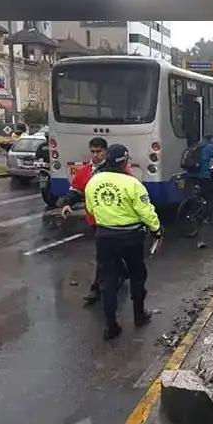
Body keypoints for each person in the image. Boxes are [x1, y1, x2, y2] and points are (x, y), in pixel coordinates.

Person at [83, 144, 163, 340]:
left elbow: (91, 209)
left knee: (108, 281)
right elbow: (146, 211)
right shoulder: (132, 184)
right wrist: (157, 230)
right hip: (131, 237)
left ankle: (111, 326)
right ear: (125, 160)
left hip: (104, 237)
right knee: (137, 275)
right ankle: (139, 315)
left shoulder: (93, 182)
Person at [59, 137, 132, 304]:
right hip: (95, 220)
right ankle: (120, 272)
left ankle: (96, 289)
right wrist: (67, 204)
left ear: (106, 152)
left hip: (114, 221)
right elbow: (76, 191)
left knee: (103, 257)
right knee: (107, 255)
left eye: (99, 152)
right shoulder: (85, 171)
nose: (95, 155)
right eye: (92, 151)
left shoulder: (118, 171)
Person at [182, 133, 213, 219]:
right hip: (202, 177)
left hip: (189, 175)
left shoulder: (194, 146)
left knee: (196, 195)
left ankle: (195, 210)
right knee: (211, 197)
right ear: (210, 139)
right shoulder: (209, 148)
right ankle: (209, 219)